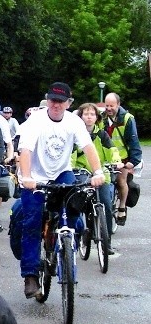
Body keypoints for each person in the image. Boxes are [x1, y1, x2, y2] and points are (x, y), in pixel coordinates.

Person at [18, 82, 105, 300]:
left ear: (69, 103)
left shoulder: (74, 121)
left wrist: (98, 172)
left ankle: (68, 246)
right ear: (48, 100)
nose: (56, 105)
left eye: (61, 101)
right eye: (53, 100)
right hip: (35, 177)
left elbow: (88, 147)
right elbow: (25, 150)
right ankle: (30, 275)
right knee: (32, 222)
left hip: (61, 173)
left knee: (75, 204)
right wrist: (27, 178)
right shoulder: (36, 120)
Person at [71, 103, 123, 254]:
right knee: (79, 202)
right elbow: (71, 155)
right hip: (82, 172)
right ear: (80, 117)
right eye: (86, 114)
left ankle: (106, 244)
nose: (89, 117)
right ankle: (81, 232)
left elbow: (112, 150)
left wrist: (117, 162)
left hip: (101, 174)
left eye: (92, 114)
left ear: (97, 117)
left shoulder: (102, 135)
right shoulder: (76, 136)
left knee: (106, 204)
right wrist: (70, 167)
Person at [103, 92, 142, 226]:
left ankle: (122, 207)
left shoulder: (127, 118)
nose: (108, 108)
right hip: (105, 158)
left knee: (121, 182)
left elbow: (134, 141)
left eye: (111, 106)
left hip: (122, 158)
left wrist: (133, 161)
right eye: (106, 105)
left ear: (118, 105)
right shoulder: (101, 118)